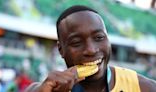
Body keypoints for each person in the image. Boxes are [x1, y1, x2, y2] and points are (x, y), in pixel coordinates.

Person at [26, 5, 156, 92]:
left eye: (99, 38)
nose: (91, 50)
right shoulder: (47, 89)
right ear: (61, 49)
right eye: (76, 42)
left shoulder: (142, 87)